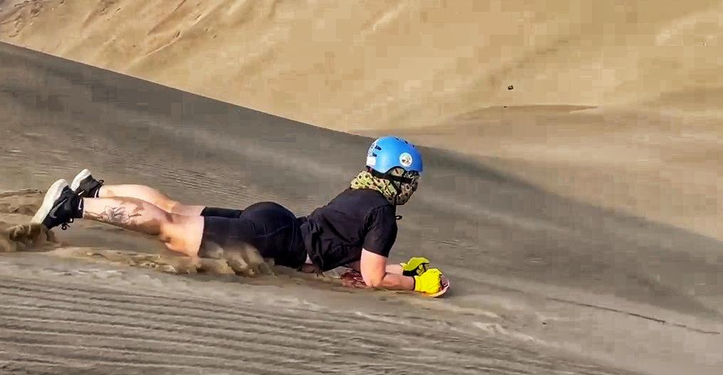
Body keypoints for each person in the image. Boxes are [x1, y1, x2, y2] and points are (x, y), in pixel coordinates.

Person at [31, 136, 445, 295]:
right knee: (169, 227)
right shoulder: (383, 214)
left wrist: (398, 268)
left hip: (275, 222)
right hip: (273, 239)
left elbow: (356, 255)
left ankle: (95, 188)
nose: (412, 186)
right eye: (410, 177)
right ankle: (73, 205)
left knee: (174, 209)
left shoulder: (361, 190)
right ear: (397, 175)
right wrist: (415, 284)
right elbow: (372, 278)